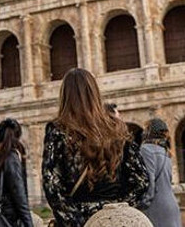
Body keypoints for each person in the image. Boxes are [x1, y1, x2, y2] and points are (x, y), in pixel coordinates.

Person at [42, 68, 149, 226]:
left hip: (80, 217)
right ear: (95, 93)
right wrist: (117, 210)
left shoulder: (58, 130)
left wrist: (76, 222)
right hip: (116, 221)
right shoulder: (116, 127)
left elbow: (52, 184)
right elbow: (141, 180)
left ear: (65, 96)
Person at [139, 118, 182, 227]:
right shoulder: (166, 151)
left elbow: (150, 182)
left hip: (157, 206)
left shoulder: (145, 150)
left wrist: (142, 204)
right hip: (171, 204)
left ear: (149, 131)